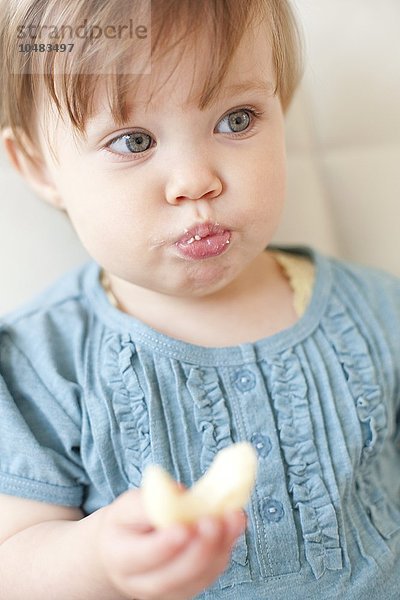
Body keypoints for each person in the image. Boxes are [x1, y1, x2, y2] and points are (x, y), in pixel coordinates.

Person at [0, 0, 399, 598]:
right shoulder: (40, 361)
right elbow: (13, 559)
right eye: (132, 139)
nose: (196, 180)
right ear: (39, 167)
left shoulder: (377, 310)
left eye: (237, 120)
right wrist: (98, 561)